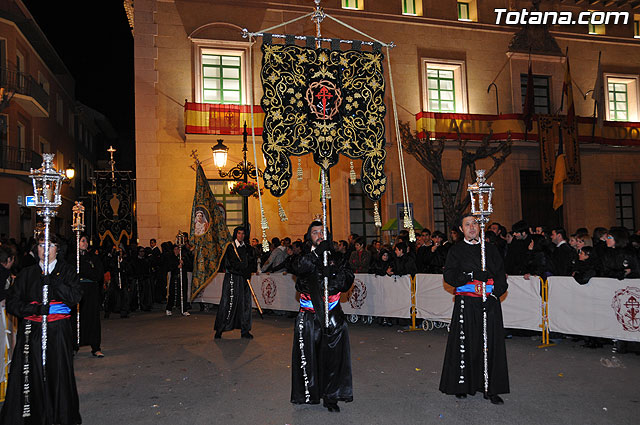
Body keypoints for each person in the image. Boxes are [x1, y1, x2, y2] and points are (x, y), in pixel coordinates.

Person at [0, 235, 82, 424]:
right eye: (41, 245)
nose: (45, 250)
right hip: (32, 333)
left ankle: (58, 414)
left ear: (57, 249)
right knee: (31, 374)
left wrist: (53, 281)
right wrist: (36, 309)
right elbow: (13, 303)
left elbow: (75, 296)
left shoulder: (67, 271)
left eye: (51, 245)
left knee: (57, 372)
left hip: (57, 333)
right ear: (36, 248)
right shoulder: (26, 274)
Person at [440, 214, 509, 405]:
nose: (472, 227)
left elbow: (502, 277)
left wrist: (495, 296)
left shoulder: (491, 250)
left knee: (490, 345)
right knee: (467, 344)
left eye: (475, 224)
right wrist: (471, 275)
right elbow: (450, 276)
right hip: (467, 303)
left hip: (489, 302)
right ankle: (463, 385)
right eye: (467, 224)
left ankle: (490, 387)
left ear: (480, 227)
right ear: (461, 229)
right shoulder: (456, 250)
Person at [290, 221, 354, 412]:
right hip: (309, 315)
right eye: (315, 232)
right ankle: (309, 393)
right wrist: (317, 254)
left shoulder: (338, 257)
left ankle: (331, 396)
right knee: (308, 355)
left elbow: (346, 281)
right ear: (309, 236)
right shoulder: (304, 256)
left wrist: (332, 273)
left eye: (322, 232)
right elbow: (299, 268)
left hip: (333, 314)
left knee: (333, 358)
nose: (319, 235)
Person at [214, 226, 256, 339]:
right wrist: (243, 268)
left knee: (245, 304)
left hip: (244, 280)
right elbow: (231, 263)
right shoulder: (230, 247)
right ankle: (220, 329)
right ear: (235, 234)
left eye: (243, 234)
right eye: (239, 233)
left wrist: (248, 271)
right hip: (232, 279)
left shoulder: (248, 248)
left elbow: (252, 263)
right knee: (228, 303)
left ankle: (245, 330)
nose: (241, 236)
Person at [76, 234, 105, 357]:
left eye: (86, 241)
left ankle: (96, 347)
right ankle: (74, 345)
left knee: (93, 318)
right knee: (77, 318)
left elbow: (98, 274)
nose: (85, 243)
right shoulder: (73, 258)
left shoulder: (93, 257)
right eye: (82, 241)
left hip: (91, 291)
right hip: (78, 291)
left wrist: (85, 273)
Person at [166, 244, 190, 316]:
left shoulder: (184, 257)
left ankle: (184, 309)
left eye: (178, 249)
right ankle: (169, 308)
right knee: (172, 293)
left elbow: (189, 265)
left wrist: (183, 263)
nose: (177, 251)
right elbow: (169, 266)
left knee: (183, 293)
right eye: (175, 249)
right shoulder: (171, 257)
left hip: (183, 277)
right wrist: (177, 266)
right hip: (175, 277)